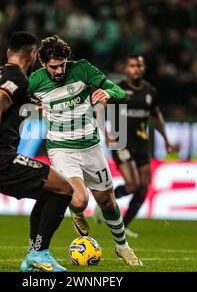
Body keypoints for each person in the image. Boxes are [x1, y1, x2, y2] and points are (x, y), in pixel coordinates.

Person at [28, 35, 142, 266]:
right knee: (80, 200)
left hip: (91, 147)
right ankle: (76, 210)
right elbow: (11, 99)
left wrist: (108, 93)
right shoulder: (35, 81)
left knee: (108, 203)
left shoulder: (82, 69)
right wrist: (32, 105)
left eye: (62, 65)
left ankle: (123, 248)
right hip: (61, 149)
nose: (59, 71)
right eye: (53, 67)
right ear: (42, 63)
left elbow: (118, 91)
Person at [0, 31, 74, 272]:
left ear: (9, 52)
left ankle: (34, 255)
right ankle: (39, 253)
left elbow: (3, 107)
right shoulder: (18, 77)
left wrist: (31, 105)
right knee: (65, 188)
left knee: (50, 193)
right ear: (33, 54)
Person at [104, 55, 173, 238]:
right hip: (121, 142)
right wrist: (106, 134)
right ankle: (105, 202)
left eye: (139, 65)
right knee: (133, 184)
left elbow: (156, 116)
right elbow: (102, 110)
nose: (136, 69)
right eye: (132, 65)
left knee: (143, 187)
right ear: (126, 68)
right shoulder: (117, 90)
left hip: (142, 144)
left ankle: (123, 225)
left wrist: (166, 139)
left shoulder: (150, 91)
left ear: (144, 68)